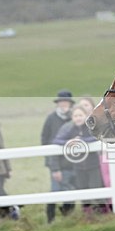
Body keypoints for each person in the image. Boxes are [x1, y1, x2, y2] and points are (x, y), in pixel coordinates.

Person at [53, 105, 108, 215]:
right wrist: (70, 142)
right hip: (78, 166)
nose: (78, 118)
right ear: (72, 118)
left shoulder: (90, 128)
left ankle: (104, 213)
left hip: (93, 165)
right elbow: (57, 140)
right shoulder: (70, 129)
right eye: (75, 116)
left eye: (80, 115)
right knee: (83, 190)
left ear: (86, 116)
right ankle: (87, 214)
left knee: (96, 189)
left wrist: (82, 140)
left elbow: (97, 137)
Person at [41, 90, 75, 223]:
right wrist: (53, 165)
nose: (63, 104)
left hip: (72, 162)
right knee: (55, 190)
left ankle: (67, 218)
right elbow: (45, 139)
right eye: (61, 102)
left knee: (70, 191)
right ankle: (50, 219)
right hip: (56, 162)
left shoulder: (75, 117)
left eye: (66, 102)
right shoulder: (51, 118)